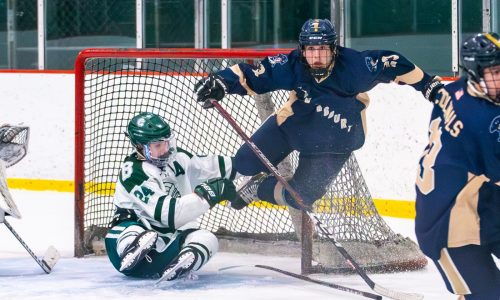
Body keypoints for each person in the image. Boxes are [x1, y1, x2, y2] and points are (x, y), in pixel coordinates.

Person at [194, 18, 444, 210]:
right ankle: (253, 176)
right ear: (302, 49)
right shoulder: (292, 64)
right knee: (244, 163)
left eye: (322, 49)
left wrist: (428, 84)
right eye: (310, 50)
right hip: (292, 128)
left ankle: (260, 189)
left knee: (302, 199)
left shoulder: (355, 67)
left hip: (336, 142)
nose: (316, 56)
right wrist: (221, 82)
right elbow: (255, 74)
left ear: (334, 49)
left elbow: (394, 62)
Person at [414, 33, 500, 299]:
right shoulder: (484, 121)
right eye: (496, 72)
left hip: (480, 203)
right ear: (475, 73)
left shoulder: (451, 90)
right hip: (448, 226)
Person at [104, 112, 239, 281]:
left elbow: (216, 166)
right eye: (157, 146)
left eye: (166, 143)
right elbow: (170, 215)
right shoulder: (133, 172)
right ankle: (131, 250)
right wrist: (208, 195)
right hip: (123, 248)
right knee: (132, 229)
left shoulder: (177, 158)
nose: (165, 150)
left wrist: (249, 162)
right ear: (140, 147)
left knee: (207, 238)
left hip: (165, 252)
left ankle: (183, 261)